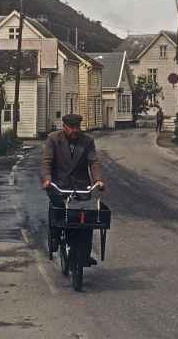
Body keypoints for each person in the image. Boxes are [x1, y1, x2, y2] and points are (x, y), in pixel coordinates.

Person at [41, 113, 105, 265]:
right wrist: (47, 179)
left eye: (77, 127)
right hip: (59, 185)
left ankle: (85, 253)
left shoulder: (87, 141)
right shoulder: (53, 139)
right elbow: (47, 161)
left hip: (81, 186)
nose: (75, 131)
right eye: (72, 128)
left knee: (87, 218)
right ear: (64, 127)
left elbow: (93, 162)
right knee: (59, 213)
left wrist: (98, 180)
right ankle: (55, 235)